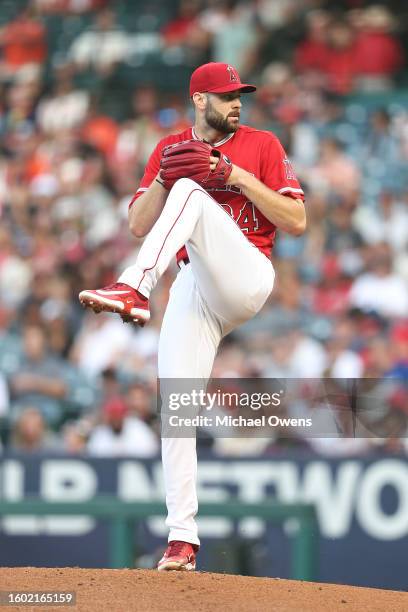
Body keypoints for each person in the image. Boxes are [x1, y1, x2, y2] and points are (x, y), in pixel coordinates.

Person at [79, 62, 306, 571]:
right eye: (227, 96)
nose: (237, 103)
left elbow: (296, 220)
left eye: (239, 95)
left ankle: (135, 286)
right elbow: (138, 223)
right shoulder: (169, 148)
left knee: (192, 194)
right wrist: (162, 175)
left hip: (247, 273)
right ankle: (182, 541)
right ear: (200, 100)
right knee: (175, 405)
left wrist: (237, 176)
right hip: (193, 285)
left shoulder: (262, 143)